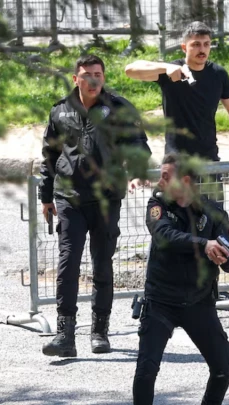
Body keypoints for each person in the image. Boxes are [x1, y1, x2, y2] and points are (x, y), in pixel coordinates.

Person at [128, 152, 229, 405]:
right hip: (161, 300)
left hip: (197, 301)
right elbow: (164, 236)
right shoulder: (158, 205)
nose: (160, 180)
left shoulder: (214, 212)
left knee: (223, 363)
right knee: (147, 367)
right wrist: (204, 245)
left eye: (167, 176)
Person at [40, 54, 151, 358]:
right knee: (68, 263)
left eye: (98, 75)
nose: (93, 80)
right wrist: (46, 196)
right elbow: (49, 156)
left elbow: (138, 144)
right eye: (87, 75)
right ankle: (65, 335)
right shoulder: (60, 111)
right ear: (75, 78)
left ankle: (99, 331)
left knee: (102, 263)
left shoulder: (119, 108)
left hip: (105, 198)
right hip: (69, 197)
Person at [124, 21, 229, 169]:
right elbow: (130, 70)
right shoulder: (171, 71)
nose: (202, 49)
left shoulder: (218, 74)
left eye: (206, 44)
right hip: (176, 159)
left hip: (209, 157)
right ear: (184, 47)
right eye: (196, 44)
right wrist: (166, 67)